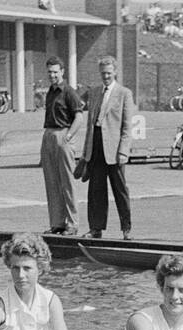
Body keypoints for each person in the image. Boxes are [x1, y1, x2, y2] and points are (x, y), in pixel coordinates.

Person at [77, 55, 137, 239]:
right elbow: (89, 123)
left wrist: (123, 151)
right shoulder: (94, 92)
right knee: (96, 190)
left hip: (114, 148)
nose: (106, 77)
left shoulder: (124, 93)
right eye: (103, 73)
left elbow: (127, 126)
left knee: (120, 189)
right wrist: (86, 152)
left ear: (115, 72)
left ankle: (126, 228)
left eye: (109, 73)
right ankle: (96, 228)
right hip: (96, 146)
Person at [40, 56, 82, 235]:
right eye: (50, 72)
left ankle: (72, 223)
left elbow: (79, 117)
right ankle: (57, 222)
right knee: (51, 181)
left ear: (62, 72)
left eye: (55, 72)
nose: (52, 75)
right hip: (49, 134)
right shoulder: (50, 91)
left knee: (67, 182)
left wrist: (69, 136)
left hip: (63, 134)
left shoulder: (69, 92)